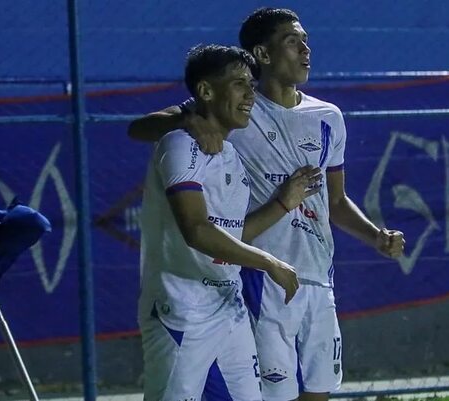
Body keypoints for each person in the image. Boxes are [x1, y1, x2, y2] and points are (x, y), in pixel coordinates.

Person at [130, 8, 405, 401]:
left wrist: (375, 236)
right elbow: (139, 128)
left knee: (317, 391)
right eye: (293, 42)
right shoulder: (232, 110)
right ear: (262, 53)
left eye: (306, 41)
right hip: (258, 278)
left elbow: (336, 200)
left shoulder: (327, 117)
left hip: (315, 273)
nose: (306, 50)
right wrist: (187, 121)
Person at [137, 43, 323, 401]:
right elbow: (197, 230)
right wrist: (269, 262)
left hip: (227, 306)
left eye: (252, 84)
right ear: (206, 91)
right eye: (239, 83)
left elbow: (232, 235)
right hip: (181, 311)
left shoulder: (231, 156)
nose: (250, 93)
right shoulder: (179, 144)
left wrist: (284, 202)